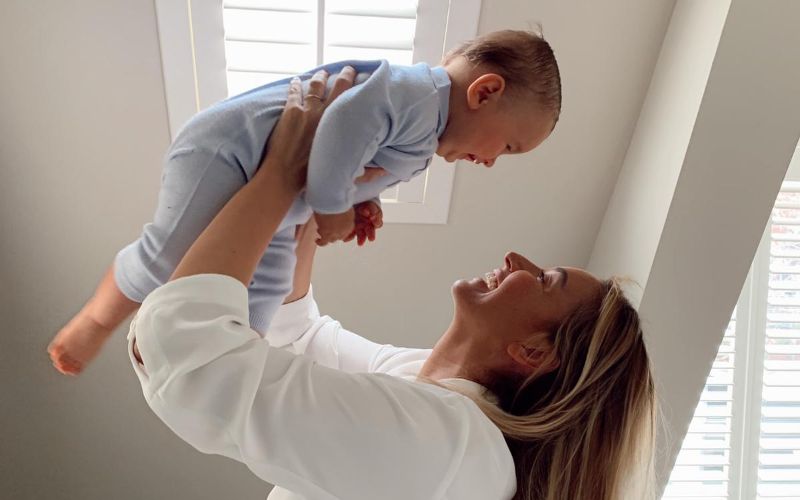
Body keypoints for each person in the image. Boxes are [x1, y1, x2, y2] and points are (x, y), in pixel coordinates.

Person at [129, 70, 656, 500]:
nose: (515, 259)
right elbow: (302, 338)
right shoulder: (430, 394)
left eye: (545, 279)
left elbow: (191, 356)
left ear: (535, 353)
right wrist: (312, 196)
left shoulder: (449, 444)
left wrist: (279, 176)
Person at [48, 29, 563, 376]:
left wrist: (362, 201)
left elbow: (358, 157)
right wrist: (332, 202)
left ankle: (214, 352)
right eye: (509, 146)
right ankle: (95, 321)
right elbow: (340, 126)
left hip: (283, 198)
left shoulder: (427, 132)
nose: (494, 161)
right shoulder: (416, 95)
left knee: (268, 287)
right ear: (485, 91)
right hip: (231, 151)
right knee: (167, 254)